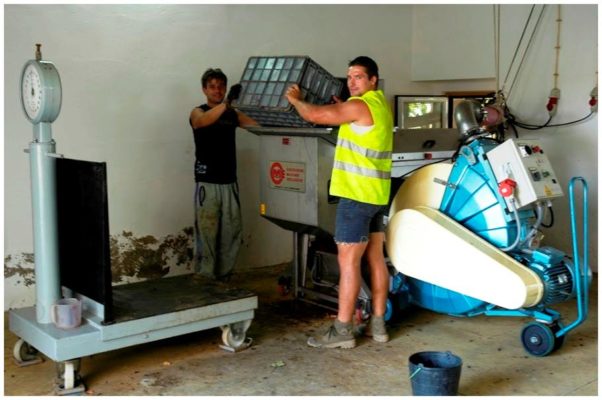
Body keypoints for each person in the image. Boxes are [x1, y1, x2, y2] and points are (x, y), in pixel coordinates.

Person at [285, 56, 393, 349]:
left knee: (348, 263)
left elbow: (314, 116)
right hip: (377, 195)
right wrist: (341, 106)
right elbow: (352, 121)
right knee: (375, 258)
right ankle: (379, 325)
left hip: (356, 197)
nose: (352, 82)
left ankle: (343, 329)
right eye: (349, 77)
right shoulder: (380, 105)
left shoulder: (358, 105)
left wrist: (296, 100)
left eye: (359, 76)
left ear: (373, 80)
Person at [189, 68, 258, 282]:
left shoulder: (232, 114)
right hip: (207, 182)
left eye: (221, 86)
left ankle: (223, 277)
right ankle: (205, 276)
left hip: (229, 182)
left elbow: (258, 125)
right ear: (204, 89)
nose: (217, 90)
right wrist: (226, 104)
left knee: (231, 232)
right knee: (208, 232)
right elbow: (203, 122)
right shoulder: (198, 111)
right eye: (212, 86)